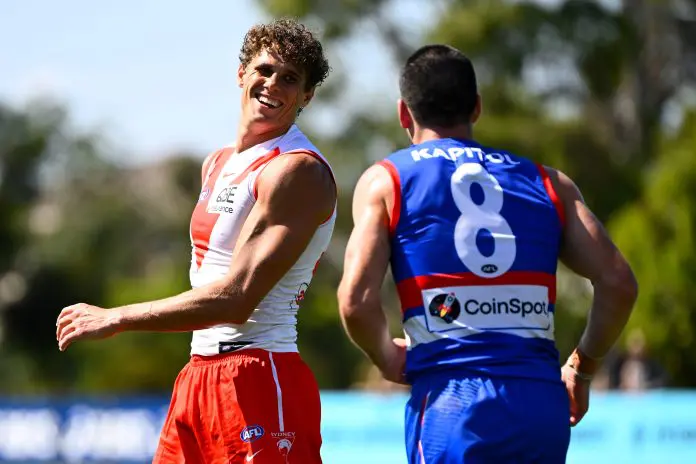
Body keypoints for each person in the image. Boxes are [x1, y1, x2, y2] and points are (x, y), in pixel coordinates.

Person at [337, 44, 638, 463]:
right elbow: (619, 283)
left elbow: (355, 302)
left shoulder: (387, 180)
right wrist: (582, 367)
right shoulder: (550, 184)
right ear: (476, 108)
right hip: (539, 403)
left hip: (451, 404)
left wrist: (387, 358)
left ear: (404, 114)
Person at [56, 18, 335, 464]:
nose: (273, 84)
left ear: (307, 96)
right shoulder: (218, 162)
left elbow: (237, 298)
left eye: (290, 78)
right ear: (241, 73)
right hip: (198, 376)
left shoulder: (296, 170)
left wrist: (118, 317)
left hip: (260, 376)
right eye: (264, 70)